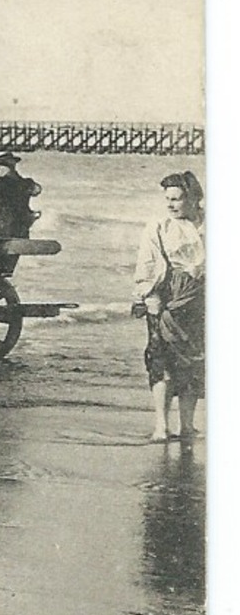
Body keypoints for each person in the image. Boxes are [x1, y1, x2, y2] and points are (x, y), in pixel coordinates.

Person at [133, 171, 205, 442]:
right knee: (161, 361)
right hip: (167, 297)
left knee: (194, 362)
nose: (171, 205)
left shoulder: (209, 223)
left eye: (177, 199)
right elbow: (147, 263)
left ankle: (187, 425)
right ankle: (161, 426)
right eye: (168, 199)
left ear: (194, 198)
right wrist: (147, 294)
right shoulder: (159, 226)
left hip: (200, 300)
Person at [0, 152, 42, 245]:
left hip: (0, 233)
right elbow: (37, 190)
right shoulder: (26, 183)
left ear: (0, 168)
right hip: (21, 231)